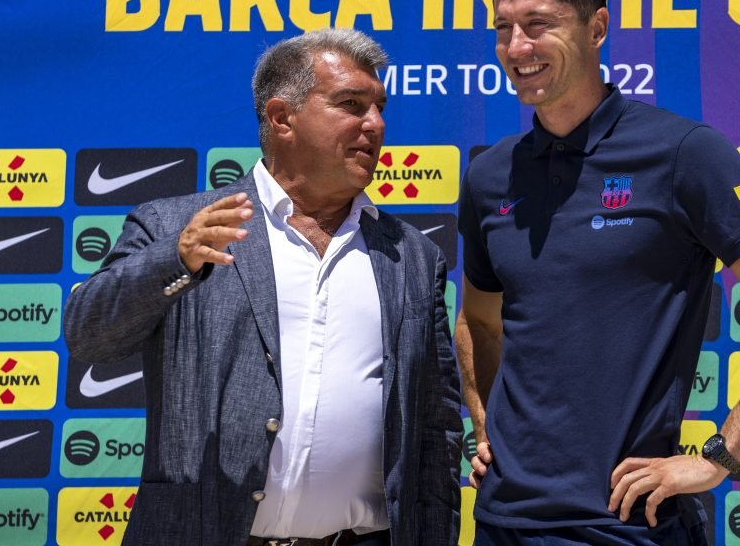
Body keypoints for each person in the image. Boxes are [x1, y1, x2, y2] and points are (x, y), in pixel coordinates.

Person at [455, 0, 740, 544]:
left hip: (626, 523)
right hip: (502, 520)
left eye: (538, 24)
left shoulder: (684, 153)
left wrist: (718, 457)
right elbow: (479, 321)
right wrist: (485, 427)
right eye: (503, 28)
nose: (517, 46)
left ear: (597, 28)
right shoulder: (490, 174)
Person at [64, 28, 462, 546]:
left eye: (379, 108)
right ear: (281, 118)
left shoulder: (411, 255)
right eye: (351, 104)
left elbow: (436, 427)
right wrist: (174, 259)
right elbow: (89, 336)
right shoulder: (176, 227)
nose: (376, 125)